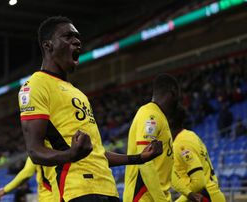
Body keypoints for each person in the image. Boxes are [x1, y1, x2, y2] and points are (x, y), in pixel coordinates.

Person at [19, 16, 163, 202]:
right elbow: (34, 150)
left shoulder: (78, 94)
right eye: (68, 37)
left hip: (108, 189)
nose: (77, 41)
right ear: (48, 46)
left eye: (77, 37)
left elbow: (96, 152)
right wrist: (71, 154)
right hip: (76, 190)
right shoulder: (36, 85)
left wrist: (139, 158)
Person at [123, 74, 181, 202]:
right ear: (173, 92)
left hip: (154, 197)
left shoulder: (160, 116)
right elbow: (145, 162)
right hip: (143, 197)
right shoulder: (150, 114)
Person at [170, 105, 226, 202]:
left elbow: (199, 183)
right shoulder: (189, 135)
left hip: (207, 197)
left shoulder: (182, 143)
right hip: (211, 195)